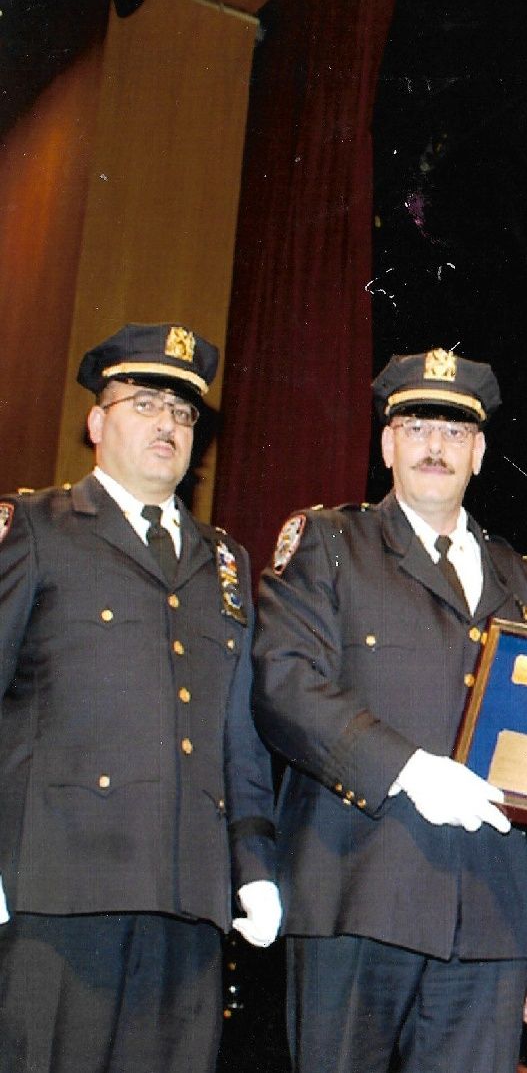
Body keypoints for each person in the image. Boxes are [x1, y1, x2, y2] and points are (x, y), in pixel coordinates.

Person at [252, 348, 527, 1073]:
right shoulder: (331, 544)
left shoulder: (525, 579)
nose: (435, 446)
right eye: (418, 427)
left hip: (487, 915)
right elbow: (283, 684)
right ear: (388, 444)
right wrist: (408, 769)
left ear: (479, 454)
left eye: (455, 432)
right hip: (359, 891)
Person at [0, 323, 280, 1072]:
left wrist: (253, 863)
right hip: (61, 889)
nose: (167, 424)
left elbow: (238, 739)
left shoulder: (224, 560)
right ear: (97, 423)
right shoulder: (37, 527)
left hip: (189, 897)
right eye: (146, 403)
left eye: (183, 412)